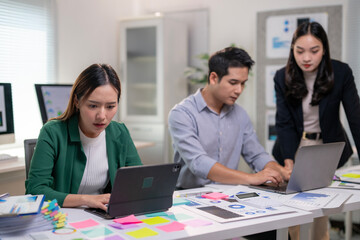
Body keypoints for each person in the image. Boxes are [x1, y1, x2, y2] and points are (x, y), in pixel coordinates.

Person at [272, 21, 360, 240]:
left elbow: (355, 117)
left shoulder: (340, 72)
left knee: (322, 204)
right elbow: (284, 123)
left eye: (314, 51)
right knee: (295, 205)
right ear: (292, 50)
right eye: (299, 51)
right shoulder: (282, 76)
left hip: (328, 146)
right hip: (296, 146)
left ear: (324, 50)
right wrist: (289, 159)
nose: (306, 58)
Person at [168, 47, 290, 190]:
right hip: (190, 197)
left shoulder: (240, 115)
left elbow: (256, 155)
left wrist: (278, 170)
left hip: (228, 197)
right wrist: (252, 178)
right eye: (233, 83)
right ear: (213, 78)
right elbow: (199, 163)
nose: (239, 90)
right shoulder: (182, 114)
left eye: (243, 83)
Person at [26, 64, 142, 211]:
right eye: (93, 106)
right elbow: (35, 190)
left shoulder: (120, 132)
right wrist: (87, 200)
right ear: (77, 101)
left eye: (110, 107)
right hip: (62, 217)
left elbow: (138, 182)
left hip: (104, 218)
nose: (102, 116)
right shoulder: (52, 132)